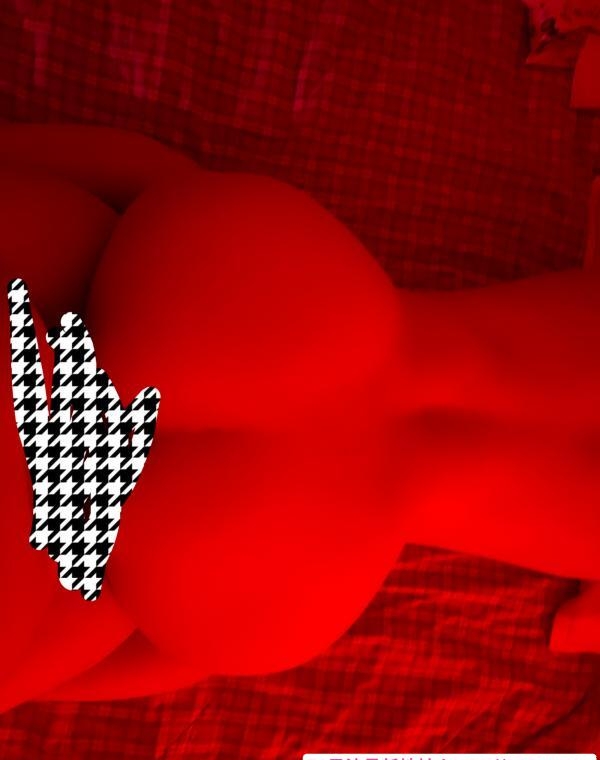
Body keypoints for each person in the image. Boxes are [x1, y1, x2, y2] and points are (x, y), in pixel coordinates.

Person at [0, 123, 597, 710]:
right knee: (96, 608)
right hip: (292, 557)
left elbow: (147, 181)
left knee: (103, 230)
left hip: (296, 303)